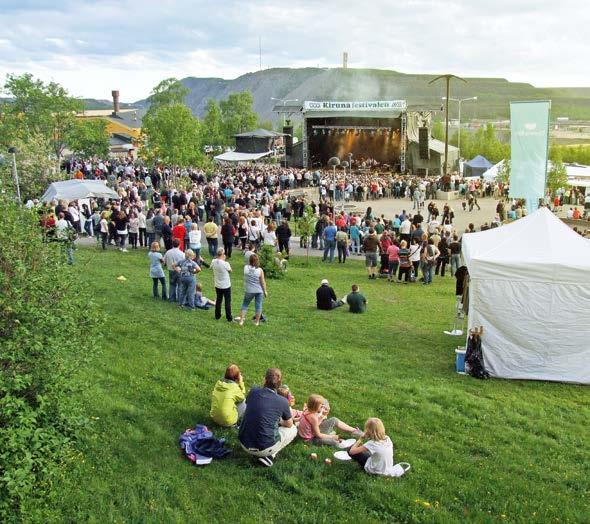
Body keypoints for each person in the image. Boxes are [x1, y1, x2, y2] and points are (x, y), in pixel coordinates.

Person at [238, 368, 297, 467]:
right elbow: (289, 424)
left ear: (264, 379)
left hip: (243, 443)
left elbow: (250, 406)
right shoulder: (282, 401)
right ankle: (270, 456)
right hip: (264, 448)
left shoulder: (253, 391)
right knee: (293, 429)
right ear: (279, 383)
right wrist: (278, 421)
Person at [298, 394, 362, 446]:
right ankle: (344, 444)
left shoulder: (307, 410)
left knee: (334, 420)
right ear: (316, 407)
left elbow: (315, 425)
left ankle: (354, 431)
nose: (323, 407)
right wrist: (332, 437)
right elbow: (318, 435)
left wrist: (322, 416)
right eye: (321, 406)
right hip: (310, 439)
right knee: (333, 442)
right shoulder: (313, 417)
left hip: (312, 433)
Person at [237, 254, 268, 326]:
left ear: (250, 260)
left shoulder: (245, 268)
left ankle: (241, 321)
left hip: (249, 290)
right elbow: (262, 282)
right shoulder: (260, 270)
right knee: (258, 306)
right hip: (259, 291)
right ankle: (257, 322)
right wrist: (265, 291)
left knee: (245, 304)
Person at [211, 247, 233, 322]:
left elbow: (211, 267)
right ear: (223, 254)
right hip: (226, 285)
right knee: (227, 301)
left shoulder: (213, 261)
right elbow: (230, 271)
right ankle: (229, 317)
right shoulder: (225, 263)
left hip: (217, 284)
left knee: (219, 300)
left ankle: (217, 315)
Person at [163, 238, 185, 303]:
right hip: (179, 271)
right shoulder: (182, 253)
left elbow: (164, 261)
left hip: (171, 270)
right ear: (179, 245)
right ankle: (179, 299)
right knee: (180, 285)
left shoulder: (168, 252)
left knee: (172, 284)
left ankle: (172, 298)